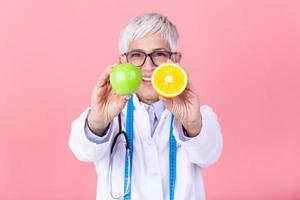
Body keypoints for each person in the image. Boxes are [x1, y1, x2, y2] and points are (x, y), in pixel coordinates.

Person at [69, 13, 223, 200]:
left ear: (175, 59)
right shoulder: (108, 117)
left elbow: (209, 154)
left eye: (159, 54)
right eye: (137, 55)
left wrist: (192, 124)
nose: (148, 65)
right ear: (123, 61)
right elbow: (82, 151)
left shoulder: (198, 116)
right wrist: (97, 121)